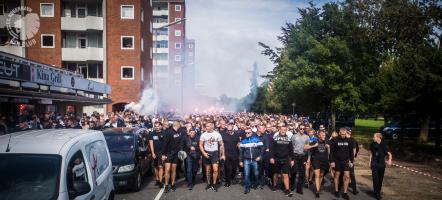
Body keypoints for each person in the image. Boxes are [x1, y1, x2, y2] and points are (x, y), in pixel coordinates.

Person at [270, 122, 294, 197]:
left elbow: (291, 150)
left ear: (286, 130)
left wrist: (292, 159)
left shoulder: (289, 139)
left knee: (285, 175)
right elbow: (272, 149)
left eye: (284, 130)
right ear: (279, 130)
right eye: (281, 129)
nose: (283, 131)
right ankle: (274, 185)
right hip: (276, 158)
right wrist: (271, 157)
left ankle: (287, 189)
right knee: (276, 174)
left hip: (286, 159)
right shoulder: (275, 138)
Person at [199, 121, 225, 192]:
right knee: (208, 170)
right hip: (206, 153)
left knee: (215, 170)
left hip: (215, 153)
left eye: (207, 126)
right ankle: (209, 183)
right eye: (206, 126)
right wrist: (204, 153)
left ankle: (214, 184)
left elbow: (221, 144)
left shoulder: (217, 134)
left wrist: (222, 154)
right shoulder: (203, 135)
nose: (206, 127)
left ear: (212, 126)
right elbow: (200, 145)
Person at [330, 127, 354, 200]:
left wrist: (351, 161)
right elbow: (331, 152)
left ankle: (345, 192)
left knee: (347, 176)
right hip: (337, 161)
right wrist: (332, 161)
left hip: (346, 161)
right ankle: (336, 190)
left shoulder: (349, 140)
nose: (343, 135)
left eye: (345, 134)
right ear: (339, 133)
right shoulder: (335, 140)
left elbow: (351, 152)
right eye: (342, 134)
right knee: (337, 175)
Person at [239, 127, 264, 194]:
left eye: (248, 132)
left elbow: (262, 149)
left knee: (256, 174)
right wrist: (240, 161)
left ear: (251, 133)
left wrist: (260, 156)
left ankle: (256, 183)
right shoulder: (243, 141)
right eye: (246, 133)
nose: (247, 134)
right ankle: (247, 187)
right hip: (246, 160)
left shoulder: (257, 140)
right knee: (246, 175)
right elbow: (241, 152)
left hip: (255, 160)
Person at [306, 130, 330, 198]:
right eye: (322, 135)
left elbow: (330, 151)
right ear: (319, 135)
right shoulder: (315, 141)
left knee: (321, 175)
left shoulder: (327, 141)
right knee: (317, 175)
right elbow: (305, 147)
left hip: (324, 161)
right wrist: (314, 145)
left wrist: (328, 147)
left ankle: (318, 186)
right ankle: (317, 191)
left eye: (324, 135)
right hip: (316, 161)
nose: (324, 137)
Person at [161, 121, 184, 193]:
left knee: (174, 170)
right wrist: (163, 154)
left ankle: (173, 185)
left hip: (176, 154)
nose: (180, 126)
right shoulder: (169, 132)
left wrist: (180, 151)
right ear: (177, 125)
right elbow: (165, 144)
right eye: (179, 125)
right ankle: (167, 185)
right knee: (167, 170)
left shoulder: (179, 132)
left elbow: (180, 143)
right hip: (168, 153)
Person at [369, 133, 392, 200]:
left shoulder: (384, 145)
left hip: (381, 165)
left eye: (374, 137)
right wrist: (370, 162)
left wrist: (390, 160)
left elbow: (389, 154)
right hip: (374, 164)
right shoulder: (372, 144)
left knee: (380, 180)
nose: (373, 138)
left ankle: (378, 191)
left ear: (378, 137)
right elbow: (371, 153)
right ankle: (376, 193)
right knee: (375, 179)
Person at [290, 124, 309, 194]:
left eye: (304, 129)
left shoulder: (307, 137)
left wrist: (307, 159)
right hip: (295, 156)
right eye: (301, 128)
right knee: (294, 172)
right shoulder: (294, 136)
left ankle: (299, 188)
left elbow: (307, 148)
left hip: (303, 156)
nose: (302, 130)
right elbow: (291, 147)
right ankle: (292, 185)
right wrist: (291, 158)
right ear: (298, 128)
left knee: (302, 173)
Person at [221, 122, 240, 187]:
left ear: (233, 129)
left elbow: (238, 143)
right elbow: (222, 145)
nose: (229, 131)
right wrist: (222, 154)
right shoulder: (224, 135)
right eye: (228, 130)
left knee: (234, 168)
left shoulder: (236, 135)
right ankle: (227, 182)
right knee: (227, 168)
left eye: (230, 130)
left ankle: (232, 177)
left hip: (235, 153)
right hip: (226, 154)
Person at [149, 121, 165, 188]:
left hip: (161, 152)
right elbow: (151, 144)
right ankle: (157, 179)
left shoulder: (163, 133)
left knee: (160, 166)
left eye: (158, 126)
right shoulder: (152, 134)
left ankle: (161, 182)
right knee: (155, 167)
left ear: (160, 126)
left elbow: (165, 144)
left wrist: (164, 153)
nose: (156, 127)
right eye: (155, 126)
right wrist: (152, 153)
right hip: (155, 152)